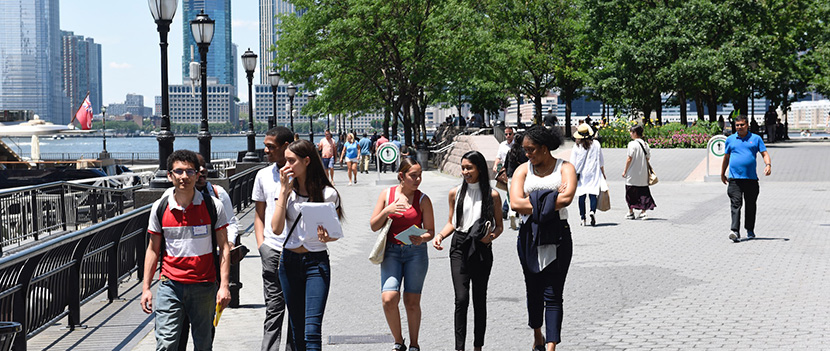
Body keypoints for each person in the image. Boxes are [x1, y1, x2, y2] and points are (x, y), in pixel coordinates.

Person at [140, 149, 231, 351]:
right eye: (179, 172)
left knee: (204, 345)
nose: (184, 177)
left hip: (204, 286)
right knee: (165, 344)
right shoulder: (160, 207)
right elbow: (153, 249)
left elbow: (224, 247)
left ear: (198, 175)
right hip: (170, 285)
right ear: (169, 175)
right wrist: (146, 288)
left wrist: (224, 286)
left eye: (190, 172)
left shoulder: (212, 206)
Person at [271, 139, 344, 351]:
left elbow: (335, 233)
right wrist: (284, 192)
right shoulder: (286, 191)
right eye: (285, 161)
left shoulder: (328, 194)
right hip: (289, 262)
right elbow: (276, 228)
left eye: (291, 161)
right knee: (296, 328)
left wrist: (327, 237)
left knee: (312, 329)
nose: (286, 166)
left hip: (316, 262)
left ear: (307, 161)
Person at [509, 126, 576, 351]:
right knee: (533, 288)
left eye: (531, 150)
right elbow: (516, 203)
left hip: (558, 234)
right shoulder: (522, 170)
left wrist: (534, 199)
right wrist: (551, 196)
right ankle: (537, 332)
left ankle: (550, 345)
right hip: (529, 236)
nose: (527, 154)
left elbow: (567, 199)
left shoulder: (565, 168)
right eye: (525, 150)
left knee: (554, 292)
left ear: (545, 149)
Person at [433, 151, 503, 351]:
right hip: (459, 246)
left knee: (479, 299)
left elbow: (499, 226)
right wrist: (440, 236)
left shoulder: (492, 195)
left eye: (469, 168)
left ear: (479, 168)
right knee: (461, 299)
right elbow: (452, 223)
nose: (465, 171)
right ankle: (459, 348)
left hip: (482, 248)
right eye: (463, 168)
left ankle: (478, 346)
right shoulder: (455, 193)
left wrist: (490, 238)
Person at [369, 158, 435, 351]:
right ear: (401, 176)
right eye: (413, 176)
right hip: (391, 252)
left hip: (416, 253)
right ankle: (399, 341)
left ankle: (414, 344)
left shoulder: (423, 199)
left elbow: (430, 231)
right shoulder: (386, 194)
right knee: (389, 298)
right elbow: (373, 225)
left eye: (419, 175)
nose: (417, 179)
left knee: (412, 302)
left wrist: (422, 238)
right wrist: (387, 211)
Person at [252, 126, 296, 351]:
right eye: (265, 146)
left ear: (286, 147)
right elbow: (258, 214)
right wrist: (262, 245)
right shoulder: (263, 175)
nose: (266, 150)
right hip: (271, 249)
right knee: (273, 309)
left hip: (298, 251)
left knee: (297, 311)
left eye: (271, 147)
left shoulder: (302, 174)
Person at [720, 115, 771, 242]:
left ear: (747, 125)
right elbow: (726, 158)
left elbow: (764, 153)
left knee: (750, 205)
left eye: (742, 125)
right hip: (735, 179)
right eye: (737, 125)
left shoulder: (756, 139)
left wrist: (768, 165)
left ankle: (750, 230)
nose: (739, 127)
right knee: (735, 204)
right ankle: (735, 231)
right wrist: (722, 173)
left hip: (751, 179)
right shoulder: (730, 139)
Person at [570, 124, 606, 227]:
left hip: (581, 174)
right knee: (593, 193)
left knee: (581, 195)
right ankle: (592, 211)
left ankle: (583, 218)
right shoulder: (596, 144)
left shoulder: (577, 146)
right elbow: (601, 160)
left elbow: (573, 162)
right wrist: (603, 172)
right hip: (593, 172)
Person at [622, 125, 656, 219]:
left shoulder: (632, 144)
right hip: (643, 172)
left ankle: (631, 212)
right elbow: (648, 157)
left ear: (635, 133)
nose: (630, 134)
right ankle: (643, 212)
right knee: (643, 192)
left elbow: (629, 158)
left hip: (632, 172)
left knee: (630, 192)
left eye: (631, 132)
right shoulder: (645, 144)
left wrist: (625, 171)